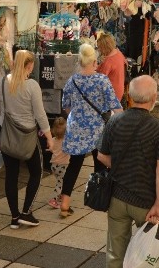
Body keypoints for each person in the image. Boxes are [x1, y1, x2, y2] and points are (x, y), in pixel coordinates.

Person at [96, 75, 159, 268]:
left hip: (117, 198)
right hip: (145, 200)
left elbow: (102, 156)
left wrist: (119, 167)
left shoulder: (114, 121)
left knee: (114, 255)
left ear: (129, 97)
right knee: (151, 246)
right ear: (152, 100)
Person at [60, 44, 122, 217]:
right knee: (100, 162)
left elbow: (65, 106)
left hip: (77, 128)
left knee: (74, 165)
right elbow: (115, 106)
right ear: (94, 61)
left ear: (80, 61)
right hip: (97, 128)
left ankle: (65, 203)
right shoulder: (102, 80)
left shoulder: (72, 81)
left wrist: (78, 115)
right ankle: (99, 197)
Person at [0, 50, 51, 229]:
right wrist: (49, 136)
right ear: (29, 66)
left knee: (11, 175)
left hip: (8, 134)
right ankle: (26, 212)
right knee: (36, 172)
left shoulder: (3, 83)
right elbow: (40, 115)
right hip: (27, 136)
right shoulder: (32, 86)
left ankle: (14, 217)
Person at [96, 31, 126, 102]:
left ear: (104, 47)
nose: (99, 50)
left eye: (100, 47)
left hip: (111, 94)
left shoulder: (108, 61)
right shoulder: (118, 53)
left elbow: (100, 79)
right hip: (119, 90)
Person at [47, 117, 68, 209]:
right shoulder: (66, 141)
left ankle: (59, 196)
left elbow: (50, 149)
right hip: (63, 165)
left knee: (59, 181)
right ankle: (54, 199)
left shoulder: (53, 140)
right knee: (60, 183)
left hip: (54, 165)